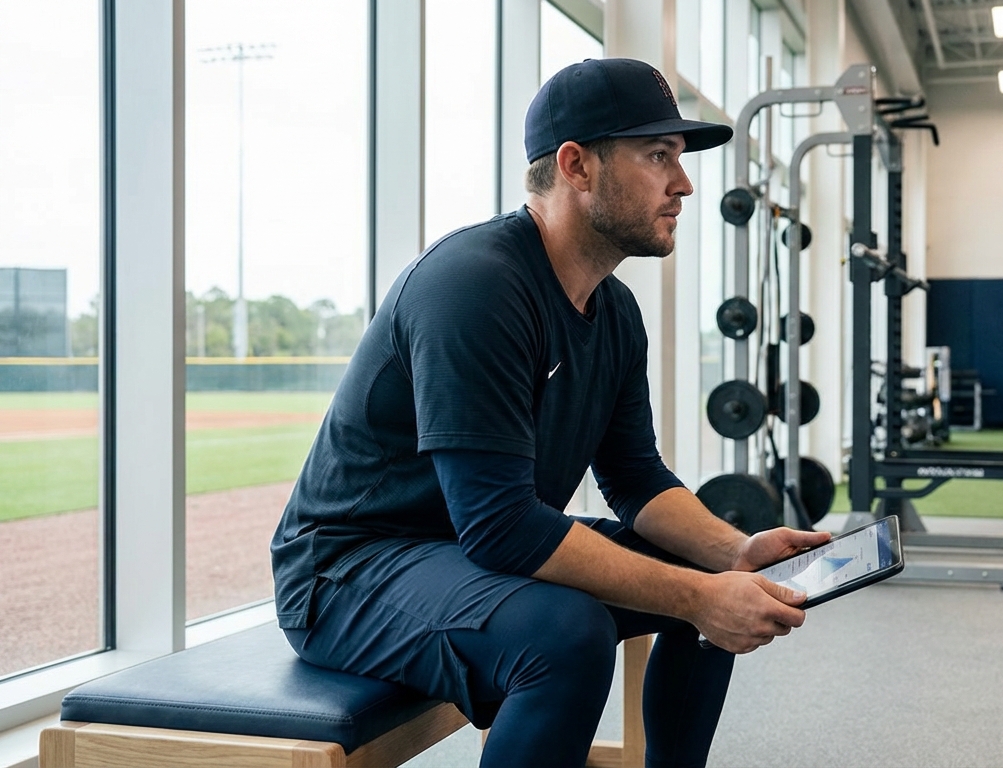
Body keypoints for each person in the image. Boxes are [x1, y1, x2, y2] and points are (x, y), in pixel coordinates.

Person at [270, 57, 830, 768]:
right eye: (659, 156)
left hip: (463, 550)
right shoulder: (473, 286)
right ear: (577, 166)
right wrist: (699, 595)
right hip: (348, 572)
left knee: (696, 577)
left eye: (679, 159)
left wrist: (732, 554)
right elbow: (501, 527)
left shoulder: (615, 309)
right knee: (565, 633)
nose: (683, 183)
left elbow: (634, 476)